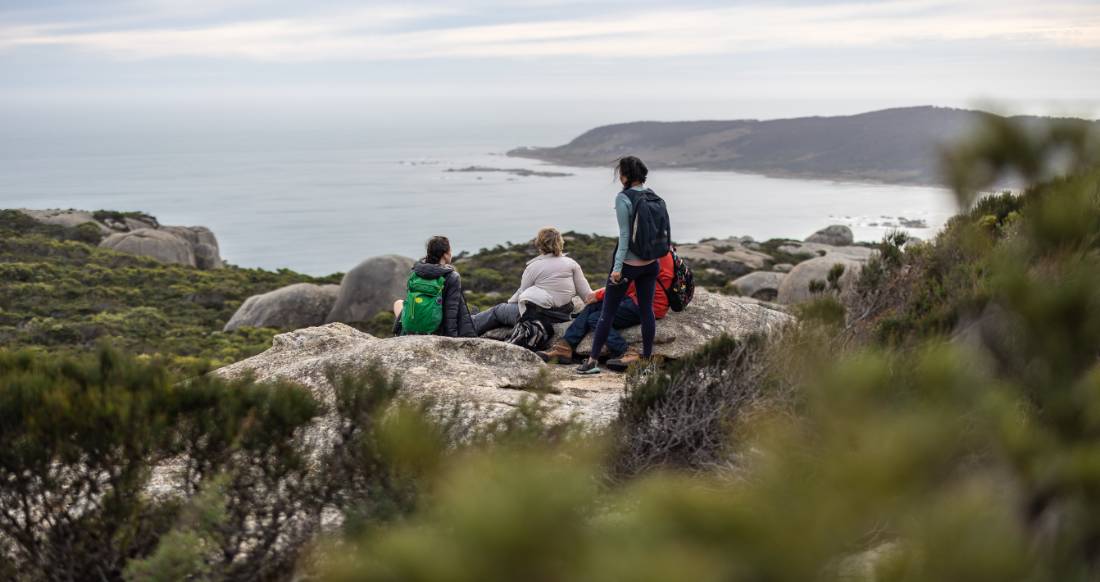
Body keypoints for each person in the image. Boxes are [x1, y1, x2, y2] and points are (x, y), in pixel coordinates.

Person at [576, 156, 669, 375]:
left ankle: (591, 362)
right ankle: (646, 360)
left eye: (621, 173)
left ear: (625, 176)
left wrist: (617, 269)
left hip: (629, 265)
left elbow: (625, 235)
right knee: (647, 311)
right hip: (651, 264)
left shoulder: (623, 198)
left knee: (607, 313)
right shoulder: (654, 196)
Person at [538, 250, 674, 369]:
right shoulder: (663, 249)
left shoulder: (648, 252)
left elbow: (628, 283)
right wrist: (600, 296)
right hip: (639, 298)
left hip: (648, 305)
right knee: (593, 307)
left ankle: (628, 352)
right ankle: (564, 348)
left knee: (596, 318)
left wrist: (599, 295)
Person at [472, 226, 595, 335]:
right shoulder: (572, 264)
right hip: (562, 316)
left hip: (538, 317)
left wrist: (508, 304)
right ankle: (474, 318)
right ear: (560, 242)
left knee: (498, 310)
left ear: (539, 244)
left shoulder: (534, 266)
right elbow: (587, 295)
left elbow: (521, 294)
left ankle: (468, 326)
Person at [392, 235, 476, 337]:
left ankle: (402, 332)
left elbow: (410, 303)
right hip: (436, 329)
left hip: (411, 326)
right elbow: (450, 314)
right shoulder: (451, 276)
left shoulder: (415, 272)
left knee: (399, 303)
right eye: (450, 250)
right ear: (445, 255)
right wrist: (452, 340)